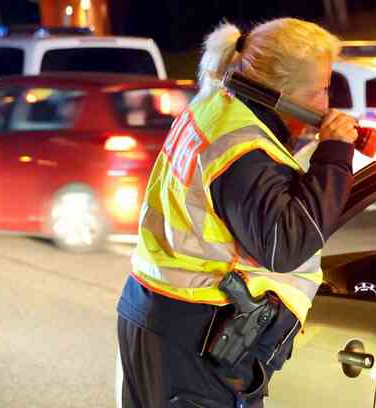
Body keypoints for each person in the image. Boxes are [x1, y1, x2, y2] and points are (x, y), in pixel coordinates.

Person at [116, 19, 358, 408]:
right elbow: (285, 244)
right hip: (196, 335)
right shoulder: (243, 149)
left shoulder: (217, 106)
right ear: (281, 94)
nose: (325, 106)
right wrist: (334, 154)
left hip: (158, 315)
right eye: (318, 91)